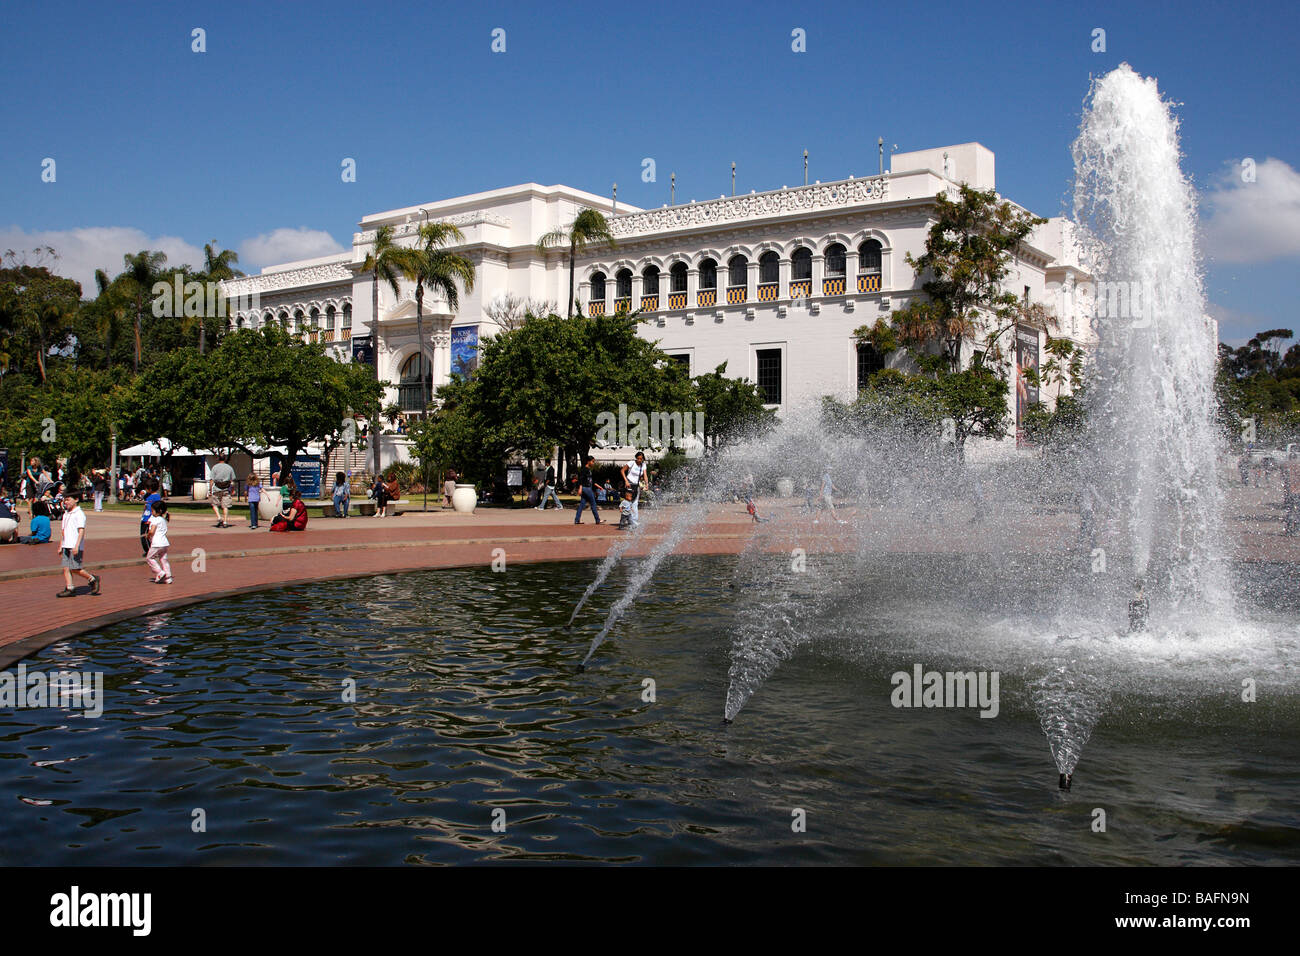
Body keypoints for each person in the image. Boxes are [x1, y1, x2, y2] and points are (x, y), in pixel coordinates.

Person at [56, 493, 100, 597]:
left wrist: (77, 546)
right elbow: (63, 531)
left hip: (75, 545)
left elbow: (81, 531)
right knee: (66, 567)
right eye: (65, 500)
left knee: (75, 568)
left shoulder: (79, 514)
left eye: (68, 500)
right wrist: (61, 545)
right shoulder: (66, 514)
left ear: (76, 499)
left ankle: (92, 579)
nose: (66, 502)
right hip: (66, 544)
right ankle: (70, 588)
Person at [146, 500, 173, 584]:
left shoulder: (156, 519)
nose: (152, 512)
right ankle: (168, 577)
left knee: (149, 558)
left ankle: (159, 572)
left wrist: (148, 535)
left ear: (159, 511)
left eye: (153, 511)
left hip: (157, 543)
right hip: (164, 543)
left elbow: (152, 531)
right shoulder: (163, 520)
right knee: (163, 559)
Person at [210, 453, 237, 528]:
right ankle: (225, 521)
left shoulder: (215, 467)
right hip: (226, 488)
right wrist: (233, 489)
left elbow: (212, 480)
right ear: (225, 459)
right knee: (225, 506)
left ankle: (219, 517)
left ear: (218, 459)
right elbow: (232, 481)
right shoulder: (229, 468)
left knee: (214, 504)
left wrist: (210, 490)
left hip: (217, 488)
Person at [620, 451, 647, 527]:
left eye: (641, 459)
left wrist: (646, 484)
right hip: (629, 484)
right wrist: (626, 481)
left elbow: (645, 475)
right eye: (638, 458)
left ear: (643, 459)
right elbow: (622, 470)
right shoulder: (631, 463)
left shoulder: (643, 465)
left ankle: (633, 521)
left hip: (636, 485)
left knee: (635, 503)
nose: (639, 460)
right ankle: (626, 520)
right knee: (628, 503)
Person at [573, 456, 602, 525]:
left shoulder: (589, 470)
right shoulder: (584, 469)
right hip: (586, 488)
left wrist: (598, 486)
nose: (593, 463)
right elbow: (581, 479)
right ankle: (597, 520)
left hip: (588, 487)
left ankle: (577, 520)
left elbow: (591, 481)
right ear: (588, 461)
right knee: (593, 504)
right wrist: (580, 488)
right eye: (592, 461)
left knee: (582, 504)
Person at [139, 478, 162, 557]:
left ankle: (150, 551)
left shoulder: (156, 496)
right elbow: (143, 498)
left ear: (151, 488)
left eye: (146, 487)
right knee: (143, 535)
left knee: (146, 536)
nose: (145, 489)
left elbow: (158, 507)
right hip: (144, 518)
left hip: (149, 519)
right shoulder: (148, 496)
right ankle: (149, 550)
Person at [1283, 450, 1300, 537]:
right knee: (1297, 512)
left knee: (1290, 511)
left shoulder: (1287, 467)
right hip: (1297, 492)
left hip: (1290, 492)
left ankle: (1288, 529)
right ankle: (1296, 530)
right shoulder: (1298, 467)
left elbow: (1285, 482)